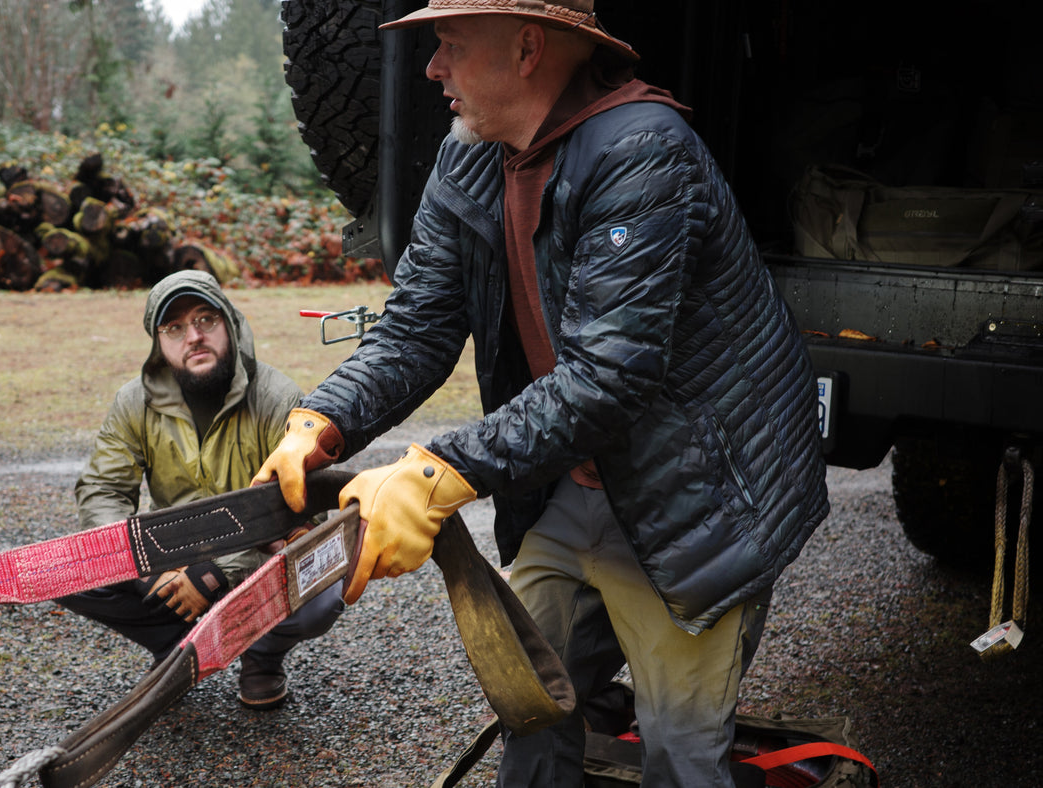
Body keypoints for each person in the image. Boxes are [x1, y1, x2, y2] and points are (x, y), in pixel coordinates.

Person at [252, 1, 829, 785]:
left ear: (528, 49)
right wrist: (323, 418)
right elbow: (418, 323)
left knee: (681, 752)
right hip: (573, 482)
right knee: (528, 704)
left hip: (694, 499)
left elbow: (608, 376)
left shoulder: (645, 153)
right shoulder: (471, 155)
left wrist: (432, 475)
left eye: (450, 46)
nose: (432, 69)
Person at [58, 270, 345, 710]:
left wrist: (217, 571)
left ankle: (261, 656)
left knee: (321, 587)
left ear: (229, 323)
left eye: (205, 320)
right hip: (170, 555)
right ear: (159, 342)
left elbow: (304, 514)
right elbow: (101, 490)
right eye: (175, 328)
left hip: (258, 556)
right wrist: (146, 565)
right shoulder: (133, 403)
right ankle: (175, 647)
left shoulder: (278, 397)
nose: (193, 336)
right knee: (66, 568)